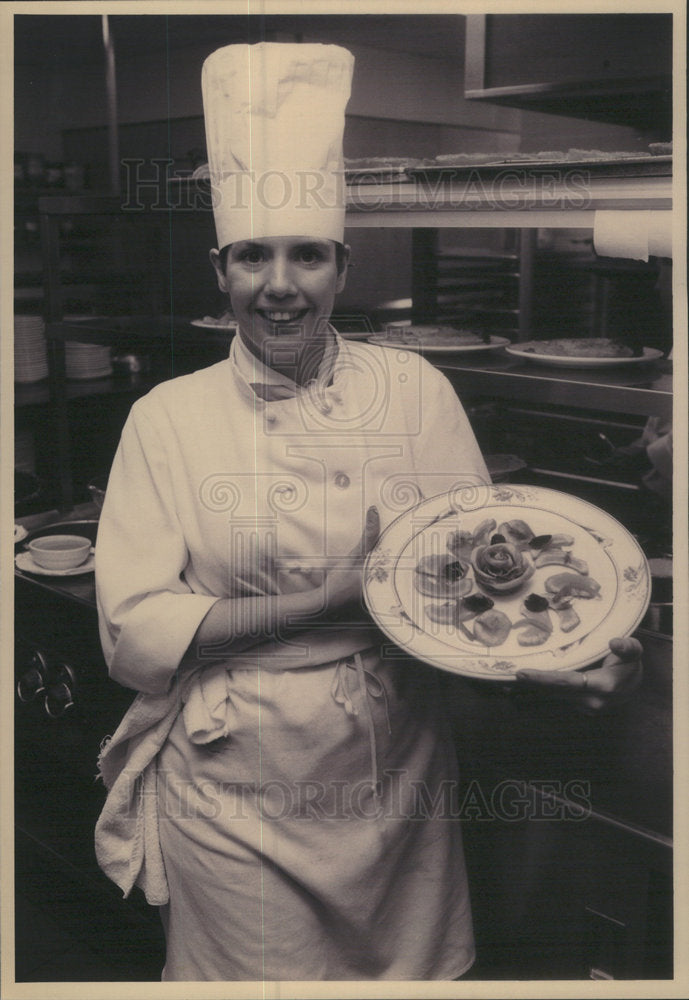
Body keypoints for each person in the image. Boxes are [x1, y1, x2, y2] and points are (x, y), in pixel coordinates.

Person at [94, 42, 642, 982]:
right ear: (217, 270)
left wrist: (557, 665)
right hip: (234, 786)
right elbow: (134, 632)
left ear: (343, 267)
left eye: (306, 254)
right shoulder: (166, 418)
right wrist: (340, 597)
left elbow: (476, 577)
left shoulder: (415, 388)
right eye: (251, 257)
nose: (279, 284)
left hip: (393, 769)